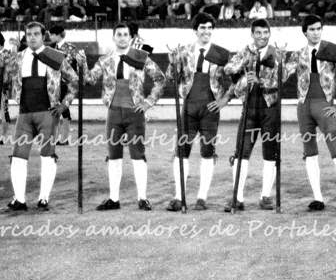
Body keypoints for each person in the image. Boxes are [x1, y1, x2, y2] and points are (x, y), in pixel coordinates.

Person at [84, 23, 165, 211]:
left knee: (138, 155)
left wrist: (148, 102)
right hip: (113, 113)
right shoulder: (105, 60)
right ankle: (114, 199)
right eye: (118, 34)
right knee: (113, 156)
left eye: (125, 34)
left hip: (135, 113)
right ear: (114, 37)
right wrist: (81, 63)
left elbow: (160, 79)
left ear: (130, 38)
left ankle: (142, 198)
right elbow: (90, 79)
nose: (122, 38)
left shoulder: (140, 57)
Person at [2, 22, 79, 212]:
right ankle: (19, 199)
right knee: (18, 157)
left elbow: (74, 81)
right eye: (29, 34)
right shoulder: (18, 58)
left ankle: (44, 197)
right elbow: (4, 79)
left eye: (36, 34)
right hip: (24, 113)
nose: (32, 37)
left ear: (43, 36)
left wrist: (64, 104)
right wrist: (1, 64)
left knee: (47, 156)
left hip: (48, 113)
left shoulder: (55, 56)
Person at [283, 15, 336, 211]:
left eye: (318, 29)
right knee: (309, 152)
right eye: (312, 29)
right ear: (305, 32)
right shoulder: (297, 54)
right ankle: (318, 198)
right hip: (303, 106)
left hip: (324, 105)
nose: (316, 33)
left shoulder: (333, 50)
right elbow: (282, 76)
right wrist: (280, 61)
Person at [165, 13, 232, 211]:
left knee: (207, 151)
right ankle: (179, 196)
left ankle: (202, 197)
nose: (206, 31)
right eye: (202, 27)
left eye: (210, 27)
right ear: (195, 30)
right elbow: (171, 78)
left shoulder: (222, 53)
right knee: (182, 150)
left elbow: (236, 79)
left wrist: (224, 100)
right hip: (189, 106)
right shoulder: (183, 52)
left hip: (210, 108)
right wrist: (172, 62)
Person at [223, 19, 283, 212]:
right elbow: (228, 68)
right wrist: (245, 66)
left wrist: (260, 80)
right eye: (258, 33)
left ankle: (265, 196)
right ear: (252, 34)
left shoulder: (277, 53)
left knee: (270, 153)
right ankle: (237, 197)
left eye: (265, 33)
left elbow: (282, 80)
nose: (262, 36)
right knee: (241, 152)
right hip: (249, 107)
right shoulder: (245, 51)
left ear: (269, 34)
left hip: (269, 109)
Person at [47, 26, 79, 145]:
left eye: (51, 34)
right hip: (55, 83)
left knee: (64, 109)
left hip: (66, 83)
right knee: (55, 108)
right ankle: (58, 137)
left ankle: (64, 138)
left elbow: (71, 67)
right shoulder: (52, 48)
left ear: (57, 35)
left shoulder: (70, 48)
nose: (50, 37)